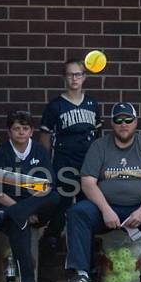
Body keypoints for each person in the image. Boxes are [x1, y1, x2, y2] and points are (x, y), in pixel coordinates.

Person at [63, 103, 141, 282]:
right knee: (77, 212)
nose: (123, 124)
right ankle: (81, 274)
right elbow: (88, 183)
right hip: (105, 210)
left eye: (128, 120)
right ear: (112, 123)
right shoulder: (99, 146)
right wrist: (106, 210)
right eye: (118, 120)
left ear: (135, 122)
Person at [0, 111, 61, 282]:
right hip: (9, 204)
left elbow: (47, 186)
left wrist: (29, 210)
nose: (21, 132)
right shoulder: (2, 153)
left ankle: (4, 215)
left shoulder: (39, 151)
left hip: (36, 207)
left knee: (55, 196)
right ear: (9, 132)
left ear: (31, 131)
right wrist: (22, 211)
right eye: (16, 128)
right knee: (19, 224)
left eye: (25, 128)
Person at [39, 59, 101, 238]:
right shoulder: (55, 106)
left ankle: (86, 251)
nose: (74, 78)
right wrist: (47, 166)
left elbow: (98, 137)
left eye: (78, 74)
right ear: (64, 78)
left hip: (87, 164)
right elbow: (45, 139)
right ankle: (51, 242)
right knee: (61, 204)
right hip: (63, 163)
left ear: (84, 77)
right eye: (70, 74)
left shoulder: (92, 104)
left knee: (88, 205)